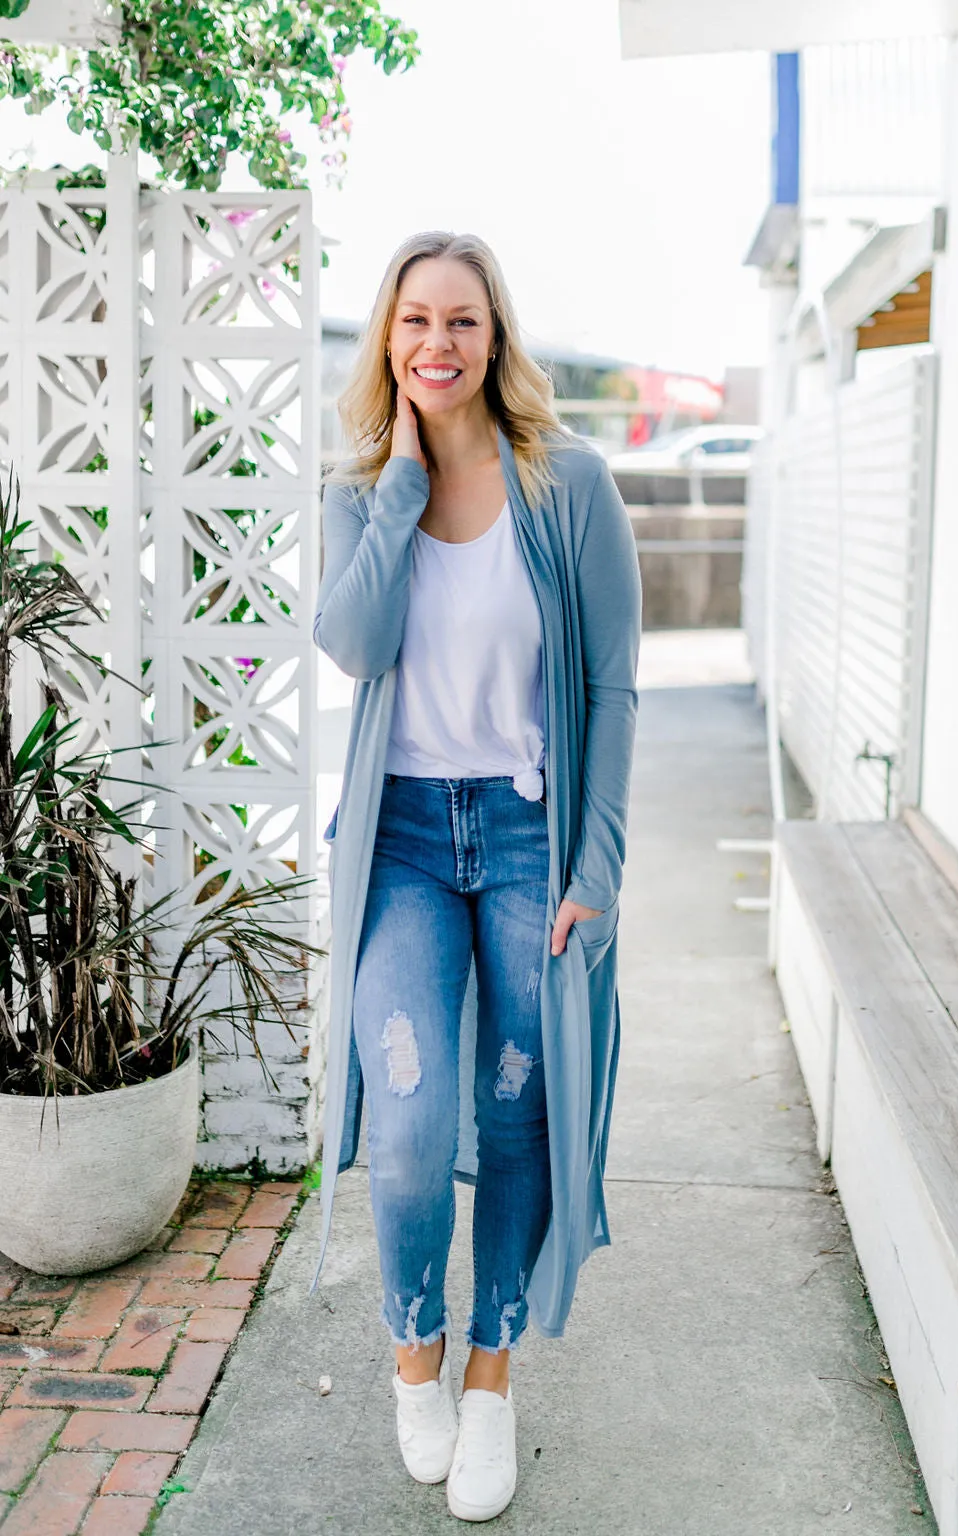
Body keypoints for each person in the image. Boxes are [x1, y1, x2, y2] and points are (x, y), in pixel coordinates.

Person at [311, 230, 642, 1522]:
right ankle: (416, 1363)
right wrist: (399, 482)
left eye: (460, 322)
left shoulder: (571, 488)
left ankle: (494, 1380)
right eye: (413, 323)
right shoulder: (358, 488)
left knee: (516, 1119)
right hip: (397, 840)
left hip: (525, 837)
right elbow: (350, 642)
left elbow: (614, 687)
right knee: (405, 1131)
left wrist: (598, 866)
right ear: (387, 340)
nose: (436, 346)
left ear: (496, 334)